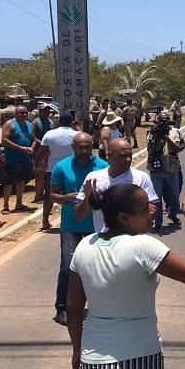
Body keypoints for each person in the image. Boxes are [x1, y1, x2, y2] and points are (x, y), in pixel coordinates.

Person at [66, 184, 185, 369]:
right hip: (136, 363)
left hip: (92, 364)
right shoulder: (142, 246)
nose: (153, 210)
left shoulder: (85, 245)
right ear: (124, 217)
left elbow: (73, 307)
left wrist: (78, 350)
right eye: (145, 208)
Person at [50, 132, 108, 325]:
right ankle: (61, 308)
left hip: (96, 227)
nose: (84, 150)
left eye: (87, 146)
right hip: (70, 227)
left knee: (97, 268)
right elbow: (52, 196)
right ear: (73, 147)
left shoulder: (103, 166)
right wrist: (67, 198)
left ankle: (97, 308)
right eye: (80, 147)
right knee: (67, 268)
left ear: (93, 145)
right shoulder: (61, 167)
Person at [74, 139, 159, 233]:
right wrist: (88, 199)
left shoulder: (141, 177)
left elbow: (153, 210)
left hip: (134, 240)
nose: (128, 159)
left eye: (130, 155)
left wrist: (147, 210)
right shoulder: (93, 178)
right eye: (123, 156)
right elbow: (79, 216)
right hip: (104, 241)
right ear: (109, 155)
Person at [38, 111, 80, 231]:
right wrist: (77, 126)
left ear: (58, 121)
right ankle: (75, 220)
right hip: (72, 171)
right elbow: (86, 140)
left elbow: (42, 152)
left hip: (52, 170)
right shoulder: (76, 135)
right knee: (75, 196)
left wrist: (38, 165)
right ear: (71, 121)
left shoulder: (49, 134)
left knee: (49, 197)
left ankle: (45, 222)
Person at [147, 111, 185, 233]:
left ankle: (172, 214)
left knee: (174, 195)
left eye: (165, 120)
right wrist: (156, 135)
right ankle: (158, 223)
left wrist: (166, 138)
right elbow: (150, 149)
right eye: (160, 120)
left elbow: (178, 148)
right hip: (156, 170)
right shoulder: (152, 132)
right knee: (156, 198)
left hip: (172, 169)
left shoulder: (176, 132)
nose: (163, 123)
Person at [1, 105, 36, 214]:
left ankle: (19, 204)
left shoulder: (30, 125)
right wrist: (19, 148)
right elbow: (4, 140)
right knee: (9, 182)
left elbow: (34, 139)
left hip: (25, 158)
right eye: (21, 113)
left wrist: (31, 148)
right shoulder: (10, 124)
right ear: (16, 114)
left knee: (21, 181)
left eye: (25, 113)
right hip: (12, 158)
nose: (24, 115)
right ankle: (5, 206)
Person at [32, 104, 55, 203]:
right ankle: (38, 196)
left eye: (48, 110)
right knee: (39, 174)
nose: (46, 112)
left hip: (51, 151)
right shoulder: (35, 122)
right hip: (39, 150)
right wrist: (42, 143)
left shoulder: (51, 122)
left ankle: (47, 193)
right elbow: (32, 137)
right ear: (40, 111)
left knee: (48, 173)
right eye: (44, 110)